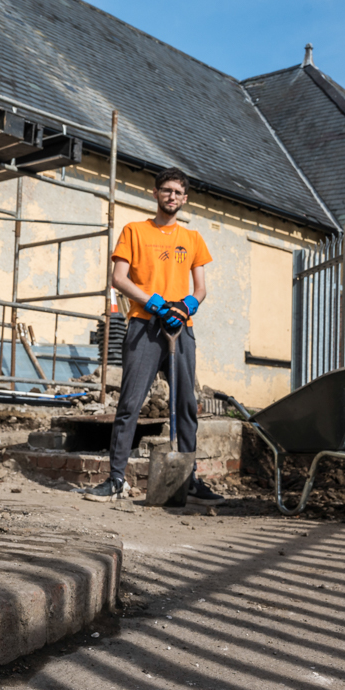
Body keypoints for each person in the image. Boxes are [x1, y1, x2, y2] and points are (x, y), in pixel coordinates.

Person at [82, 168, 224, 504]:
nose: (171, 196)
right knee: (130, 403)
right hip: (144, 326)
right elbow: (119, 278)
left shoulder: (192, 239)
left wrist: (187, 305)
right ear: (156, 193)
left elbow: (201, 288)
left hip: (181, 328)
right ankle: (116, 480)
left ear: (184, 198)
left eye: (177, 191)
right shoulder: (134, 231)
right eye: (166, 190)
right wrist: (153, 302)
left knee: (187, 405)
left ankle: (189, 481)